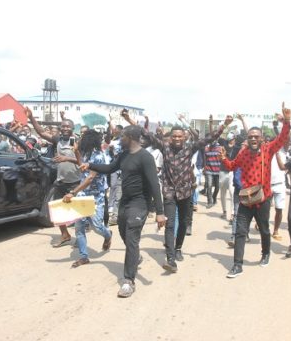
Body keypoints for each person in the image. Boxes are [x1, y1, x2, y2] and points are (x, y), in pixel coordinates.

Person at [81, 125, 166, 298]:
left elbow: (154, 185)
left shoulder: (146, 157)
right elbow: (110, 168)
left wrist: (159, 211)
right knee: (122, 231)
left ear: (131, 137)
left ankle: (129, 281)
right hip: (125, 202)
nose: (120, 139)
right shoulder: (124, 155)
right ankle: (135, 257)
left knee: (132, 236)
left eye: (122, 137)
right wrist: (90, 165)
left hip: (140, 203)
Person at [143, 115, 233, 272]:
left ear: (184, 137)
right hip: (169, 192)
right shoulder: (165, 147)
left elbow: (208, 138)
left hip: (186, 192)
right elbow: (148, 136)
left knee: (184, 222)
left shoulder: (190, 148)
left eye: (180, 136)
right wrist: (131, 121)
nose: (177, 139)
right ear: (170, 138)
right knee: (170, 225)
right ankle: (170, 259)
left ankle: (178, 248)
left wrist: (224, 125)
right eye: (174, 136)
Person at [220, 103, 291, 278]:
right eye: (250, 136)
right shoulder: (243, 153)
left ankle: (266, 253)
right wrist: (223, 158)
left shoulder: (269, 150)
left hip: (263, 199)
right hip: (245, 199)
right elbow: (231, 166)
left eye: (256, 136)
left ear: (261, 139)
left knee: (265, 230)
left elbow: (282, 137)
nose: (252, 139)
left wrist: (287, 121)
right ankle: (237, 265)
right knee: (240, 232)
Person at [25, 107, 81, 247]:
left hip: (76, 182)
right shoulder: (58, 140)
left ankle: (81, 239)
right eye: (63, 126)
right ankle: (65, 235)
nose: (65, 128)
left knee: (78, 213)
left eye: (68, 126)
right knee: (57, 210)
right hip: (61, 182)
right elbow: (41, 132)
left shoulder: (78, 141)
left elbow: (83, 163)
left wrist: (66, 158)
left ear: (73, 128)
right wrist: (31, 118)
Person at [62, 130, 112, 267]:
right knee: (79, 228)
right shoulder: (85, 153)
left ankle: (108, 235)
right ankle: (84, 256)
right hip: (83, 195)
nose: (81, 139)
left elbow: (90, 178)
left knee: (97, 227)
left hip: (96, 197)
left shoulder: (99, 156)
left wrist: (73, 192)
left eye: (83, 138)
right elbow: (82, 167)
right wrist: (77, 152)